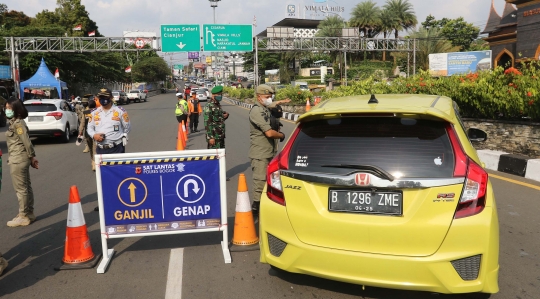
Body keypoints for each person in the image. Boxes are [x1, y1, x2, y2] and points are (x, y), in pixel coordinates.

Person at [248, 85, 286, 219]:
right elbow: (269, 133)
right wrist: (282, 136)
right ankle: (254, 216)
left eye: (271, 97)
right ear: (259, 97)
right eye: (267, 97)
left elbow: (271, 105)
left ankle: (266, 213)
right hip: (260, 154)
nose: (270, 100)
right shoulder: (256, 111)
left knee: (269, 183)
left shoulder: (264, 108)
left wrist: (280, 102)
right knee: (260, 184)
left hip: (269, 152)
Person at [4, 96, 39, 227]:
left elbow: (26, 141)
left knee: (21, 189)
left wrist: (32, 156)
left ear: (17, 110)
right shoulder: (14, 123)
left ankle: (23, 215)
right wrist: (31, 157)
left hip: (18, 159)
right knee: (26, 187)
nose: (7, 110)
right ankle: (29, 213)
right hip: (20, 157)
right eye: (6, 108)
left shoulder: (18, 124)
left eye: (9, 108)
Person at [87, 88, 131, 154]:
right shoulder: (94, 113)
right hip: (100, 149)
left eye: (105, 97)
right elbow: (90, 128)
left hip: (116, 148)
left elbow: (127, 127)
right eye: (101, 97)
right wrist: (94, 135)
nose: (103, 99)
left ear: (111, 97)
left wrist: (121, 136)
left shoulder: (120, 111)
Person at [78, 97, 98, 170]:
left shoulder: (85, 113)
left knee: (90, 149)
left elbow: (82, 123)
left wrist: (80, 133)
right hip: (95, 134)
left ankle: (93, 162)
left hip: (87, 134)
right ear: (95, 106)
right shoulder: (98, 112)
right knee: (95, 149)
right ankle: (95, 164)